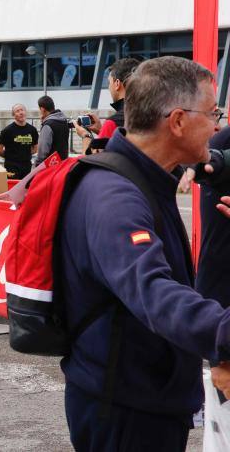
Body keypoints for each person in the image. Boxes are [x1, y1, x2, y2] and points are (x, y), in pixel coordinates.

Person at [57, 56, 230, 451]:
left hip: (143, 398)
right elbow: (154, 291)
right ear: (179, 121)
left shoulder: (146, 178)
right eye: (213, 112)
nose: (217, 125)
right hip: (125, 410)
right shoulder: (116, 196)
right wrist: (224, 333)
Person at [75, 58, 141, 153]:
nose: (108, 88)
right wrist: (102, 130)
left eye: (109, 83)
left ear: (117, 83)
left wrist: (85, 135)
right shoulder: (152, 114)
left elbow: (91, 164)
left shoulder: (113, 122)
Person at [0, 104, 38, 179]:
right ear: (13, 115)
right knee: (12, 188)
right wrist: (10, 156)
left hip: (26, 166)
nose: (21, 113)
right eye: (17, 111)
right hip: (11, 166)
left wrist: (23, 153)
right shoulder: (7, 131)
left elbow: (35, 149)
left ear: (25, 112)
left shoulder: (32, 130)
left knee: (25, 189)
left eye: (22, 110)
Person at [34, 95, 69, 165]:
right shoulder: (63, 121)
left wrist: (37, 164)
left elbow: (43, 152)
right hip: (63, 163)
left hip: (51, 166)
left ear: (42, 109)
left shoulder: (48, 125)